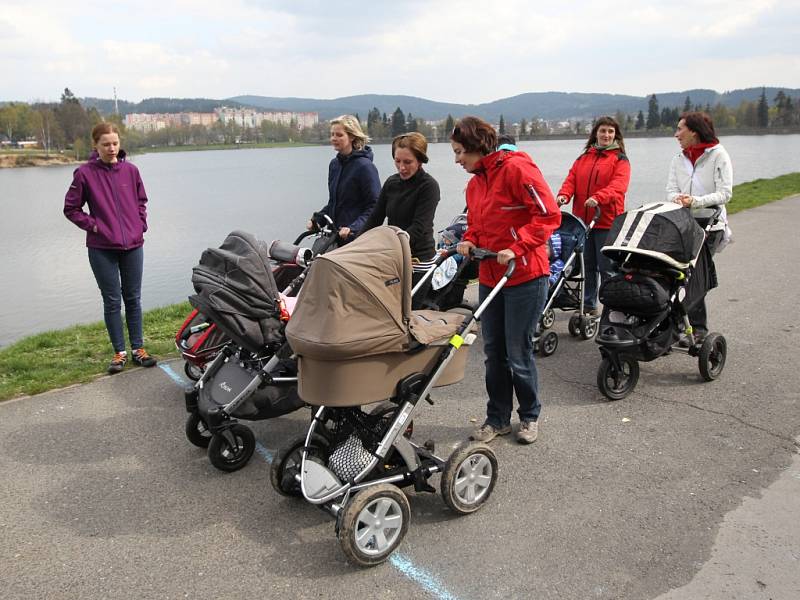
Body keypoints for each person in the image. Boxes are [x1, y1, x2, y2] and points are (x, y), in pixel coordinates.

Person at [452, 116, 560, 444]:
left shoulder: (517, 171)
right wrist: (469, 239)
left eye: (459, 152)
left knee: (518, 350)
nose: (457, 159)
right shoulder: (475, 183)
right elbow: (477, 222)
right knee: (493, 351)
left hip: (525, 274)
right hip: (490, 275)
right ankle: (497, 417)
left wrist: (517, 246)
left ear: (476, 147)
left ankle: (529, 415)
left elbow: (549, 215)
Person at [64, 122, 157, 374]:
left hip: (133, 246)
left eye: (115, 143)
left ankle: (139, 349)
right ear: (96, 145)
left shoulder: (131, 171)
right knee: (112, 300)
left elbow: (141, 201)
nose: (112, 148)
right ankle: (119, 353)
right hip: (102, 248)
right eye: (106, 144)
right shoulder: (85, 174)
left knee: (133, 299)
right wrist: (95, 227)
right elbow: (71, 209)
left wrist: (140, 225)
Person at [666, 111, 733, 340]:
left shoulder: (718, 155)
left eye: (680, 129)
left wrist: (696, 201)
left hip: (710, 226)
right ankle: (674, 326)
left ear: (693, 131)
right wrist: (677, 199)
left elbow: (725, 193)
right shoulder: (678, 159)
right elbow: (671, 189)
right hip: (684, 225)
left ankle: (698, 329)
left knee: (694, 277)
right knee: (674, 274)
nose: (676, 134)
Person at [556, 116, 631, 316]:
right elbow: (571, 179)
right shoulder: (583, 158)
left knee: (607, 268)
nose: (606, 135)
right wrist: (564, 195)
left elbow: (618, 187)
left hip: (606, 221)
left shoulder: (620, 160)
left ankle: (611, 306)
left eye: (610, 132)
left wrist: (599, 197)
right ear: (595, 133)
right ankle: (589, 304)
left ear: (615, 135)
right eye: (603, 131)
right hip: (582, 222)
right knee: (586, 266)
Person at [361, 132, 439, 262]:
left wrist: (390, 246)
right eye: (397, 161)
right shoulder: (391, 182)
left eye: (408, 162)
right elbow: (374, 219)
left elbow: (419, 227)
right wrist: (356, 244)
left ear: (420, 161)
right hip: (394, 254)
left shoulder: (429, 186)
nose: (402, 167)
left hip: (419, 257)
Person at [309, 115, 380, 243]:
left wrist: (353, 228)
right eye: (332, 134)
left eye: (339, 135)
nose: (334, 138)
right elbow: (334, 203)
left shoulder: (365, 167)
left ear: (352, 136)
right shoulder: (334, 165)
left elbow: (375, 207)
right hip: (335, 237)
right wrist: (318, 220)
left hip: (356, 239)